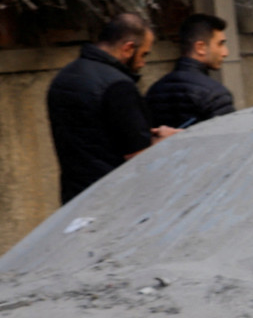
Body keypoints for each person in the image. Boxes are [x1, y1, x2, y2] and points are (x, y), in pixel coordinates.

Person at [47, 13, 178, 202]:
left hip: (74, 198)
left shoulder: (64, 77)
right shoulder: (118, 86)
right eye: (143, 54)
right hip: (113, 197)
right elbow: (138, 155)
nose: (143, 63)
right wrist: (166, 140)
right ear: (128, 48)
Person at [146, 13, 235, 128]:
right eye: (220, 44)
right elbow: (228, 135)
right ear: (200, 47)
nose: (225, 53)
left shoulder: (154, 90)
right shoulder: (215, 94)